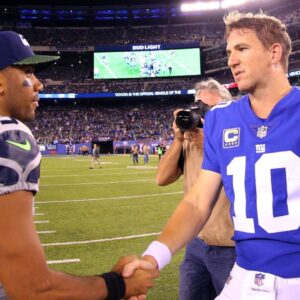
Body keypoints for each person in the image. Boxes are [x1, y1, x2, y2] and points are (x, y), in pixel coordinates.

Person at [123, 11, 300, 299]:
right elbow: (196, 203)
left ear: (274, 53)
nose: (231, 60)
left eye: (242, 49)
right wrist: (153, 257)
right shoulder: (221, 120)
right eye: (229, 52)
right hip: (244, 278)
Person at [0, 30, 158, 300]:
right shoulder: (10, 136)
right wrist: (117, 285)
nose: (39, 84)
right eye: (28, 72)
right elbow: (30, 288)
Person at [156, 79, 235, 300]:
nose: (203, 115)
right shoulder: (188, 140)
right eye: (200, 107)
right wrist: (178, 139)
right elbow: (161, 178)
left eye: (210, 109)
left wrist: (211, 142)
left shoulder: (234, 139)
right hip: (196, 245)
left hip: (230, 247)